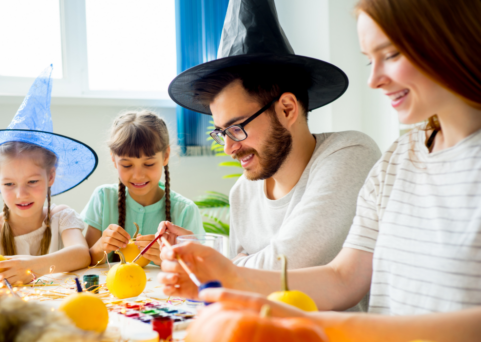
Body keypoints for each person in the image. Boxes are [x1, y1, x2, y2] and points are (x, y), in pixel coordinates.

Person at [159, 0, 481, 342]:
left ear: (451, 40)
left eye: (391, 55)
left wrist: (308, 325)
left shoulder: (354, 153)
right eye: (368, 60)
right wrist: (230, 275)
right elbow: (344, 277)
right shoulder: (399, 158)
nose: (373, 79)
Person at [163, 0, 381, 274]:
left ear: (287, 109)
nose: (229, 148)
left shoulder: (350, 153)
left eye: (237, 127)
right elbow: (242, 282)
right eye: (221, 132)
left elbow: (281, 266)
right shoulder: (242, 192)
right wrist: (219, 259)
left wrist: (235, 264)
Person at [0, 66, 97, 285]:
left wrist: (32, 267)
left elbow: (81, 254)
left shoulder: (62, 218)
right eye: (9, 183)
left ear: (51, 177)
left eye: (32, 181)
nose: (21, 193)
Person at [81, 111, 205, 266]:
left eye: (149, 164)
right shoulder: (103, 198)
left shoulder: (185, 211)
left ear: (165, 156)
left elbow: (199, 269)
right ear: (114, 159)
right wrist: (101, 246)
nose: (138, 176)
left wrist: (169, 260)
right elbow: (85, 262)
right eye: (127, 165)